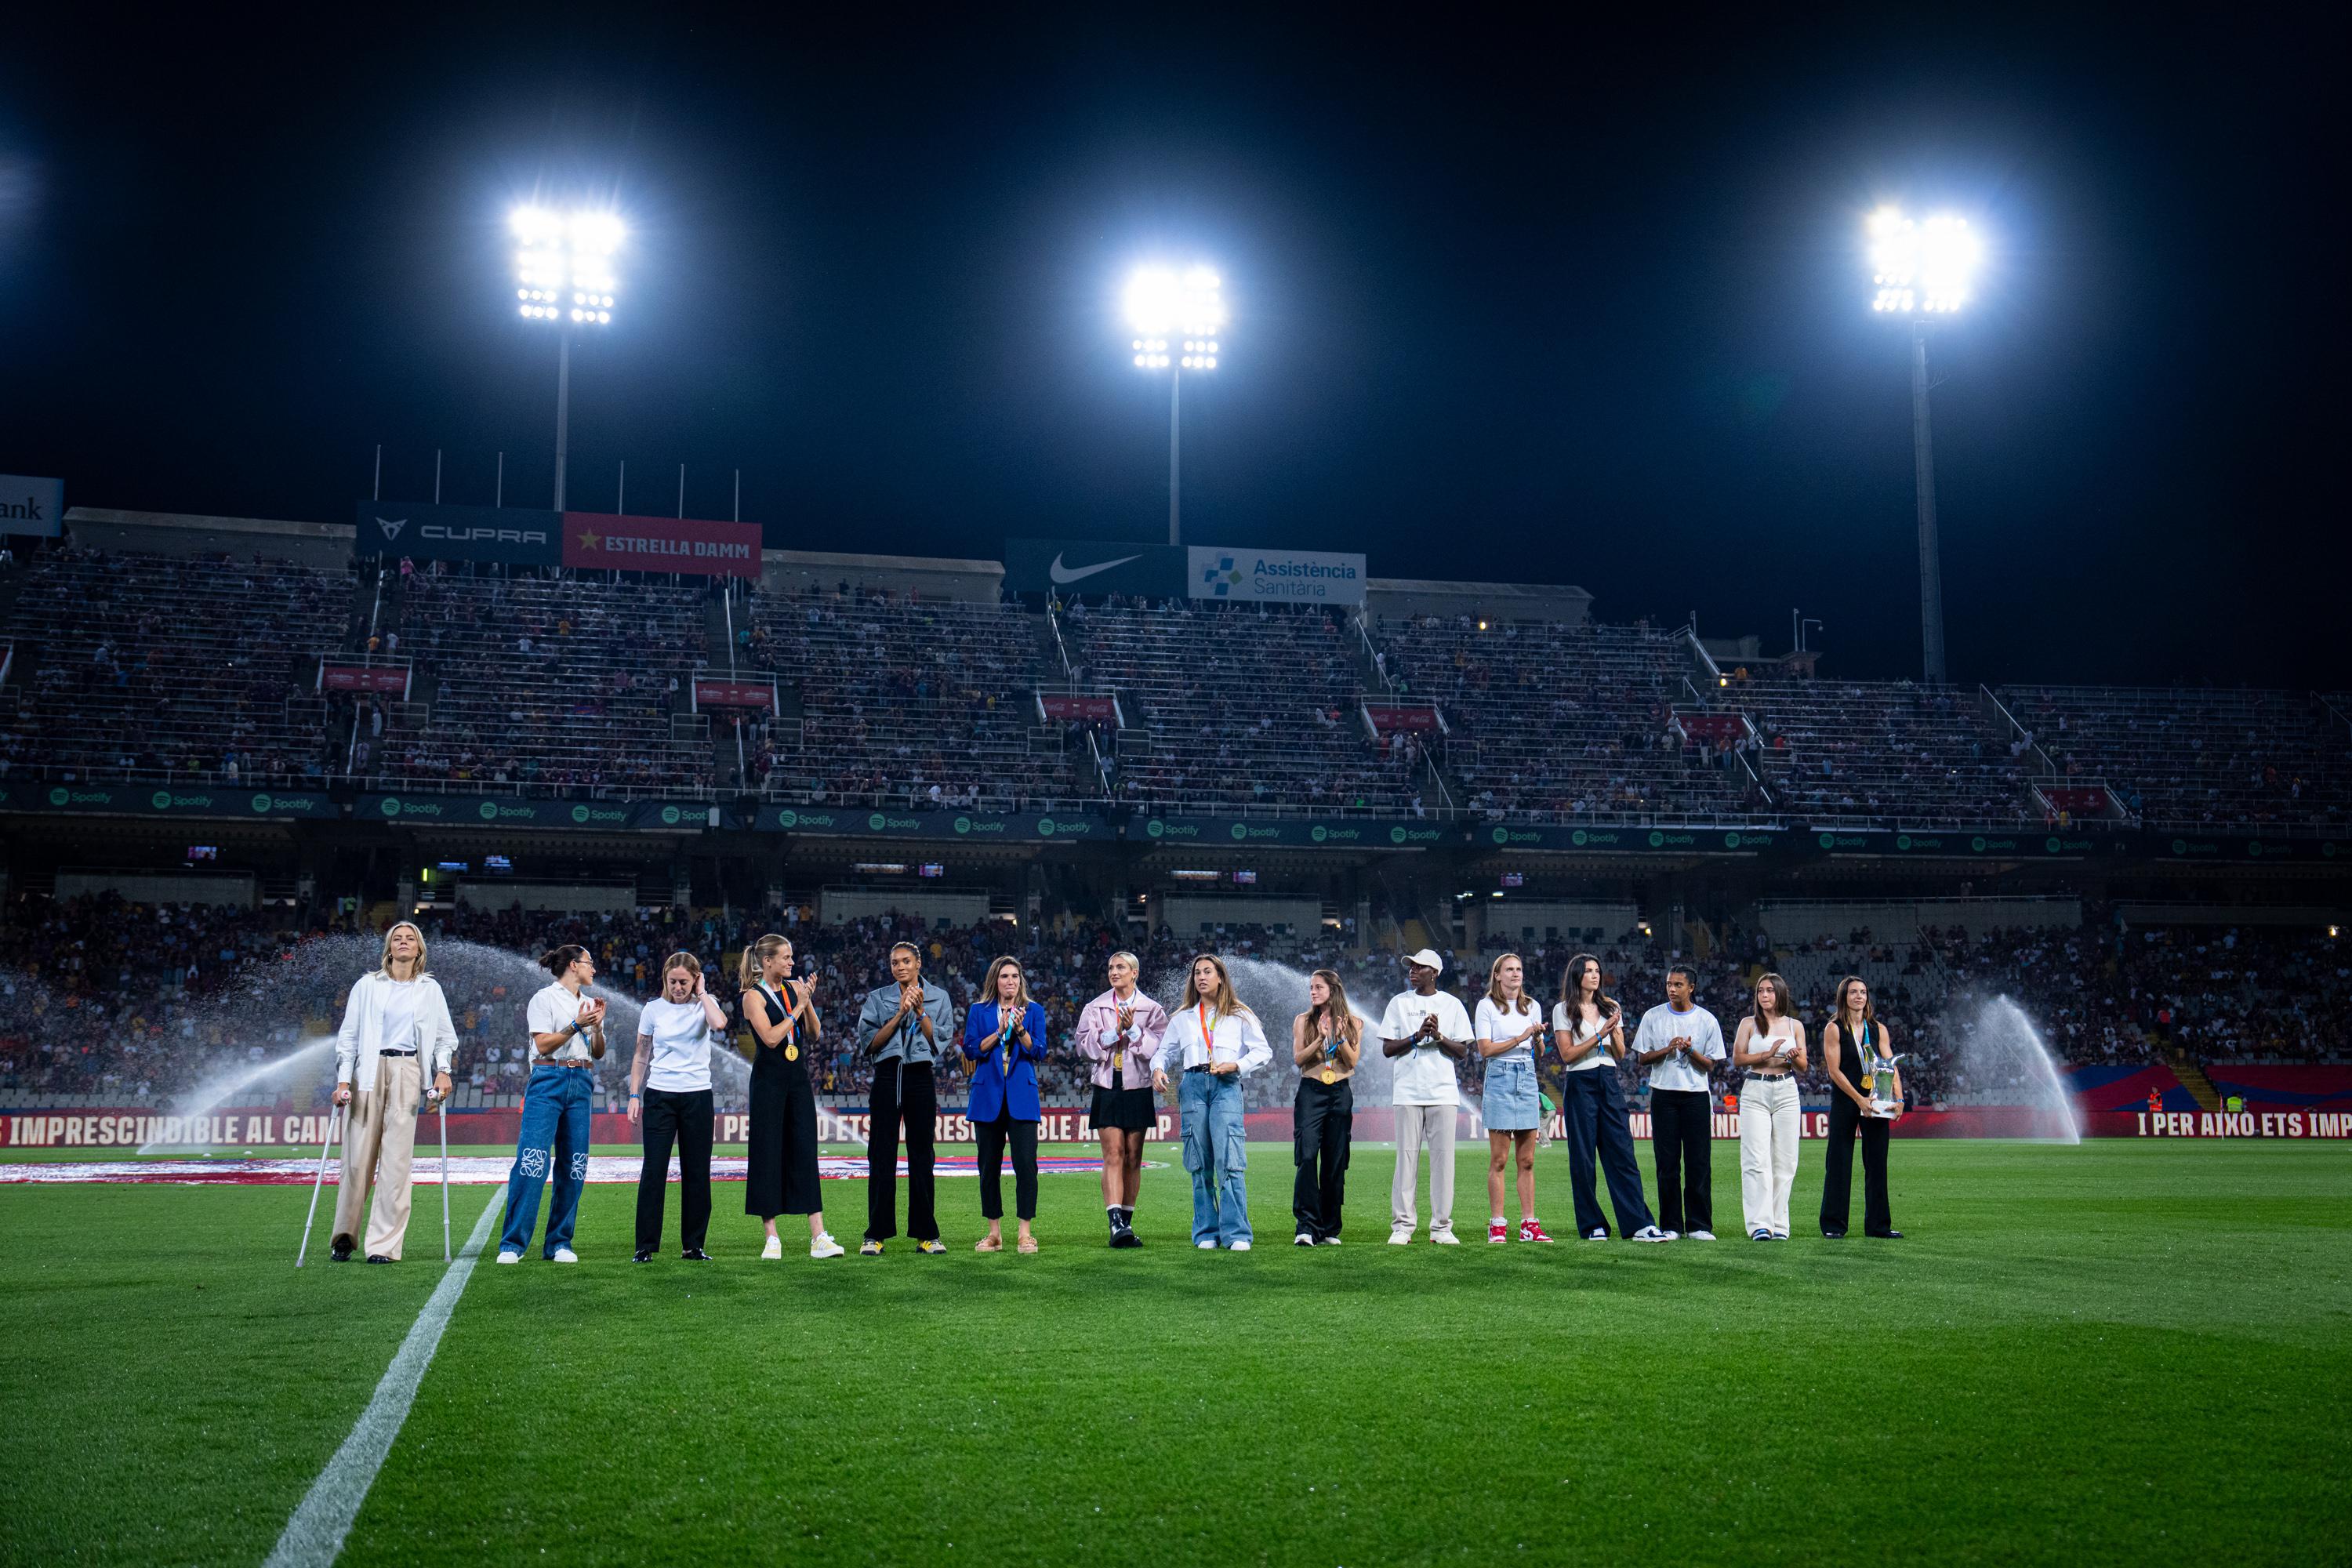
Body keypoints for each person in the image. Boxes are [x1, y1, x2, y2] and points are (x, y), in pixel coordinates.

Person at [328, 921, 457, 1263]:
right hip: (367, 1072)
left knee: (396, 1163)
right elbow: (349, 1038)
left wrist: (443, 1071)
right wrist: (343, 1081)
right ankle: (344, 1237)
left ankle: (383, 1246)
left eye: (409, 939)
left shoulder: (430, 989)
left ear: (419, 949)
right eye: (397, 939)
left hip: (408, 1070)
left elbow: (446, 1037)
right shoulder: (367, 985)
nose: (403, 943)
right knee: (356, 1160)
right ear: (389, 948)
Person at [495, 944, 608, 1265]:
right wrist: (577, 1024)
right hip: (548, 1078)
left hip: (582, 1080)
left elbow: (597, 1052)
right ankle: (512, 1244)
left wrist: (597, 1026)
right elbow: (542, 1043)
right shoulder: (542, 998)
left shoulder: (589, 1003)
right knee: (532, 1160)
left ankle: (559, 1242)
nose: (594, 969)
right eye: (589, 963)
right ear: (574, 965)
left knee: (575, 1165)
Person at [1152, 953, 1272, 1250]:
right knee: (1199, 1161)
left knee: (1229, 1160)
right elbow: (1164, 1052)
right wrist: (1157, 1068)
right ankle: (1207, 1232)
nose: (1201, 977)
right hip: (1192, 1085)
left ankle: (1237, 1234)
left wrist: (1237, 1065)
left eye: (1208, 971)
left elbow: (1263, 1051)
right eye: (1197, 973)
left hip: (1226, 1085)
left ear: (1221, 977)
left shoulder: (1240, 1014)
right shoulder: (1182, 1017)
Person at [1552, 953, 1671, 1242]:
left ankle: (1639, 1224)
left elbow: (1620, 1053)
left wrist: (1615, 1031)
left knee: (1623, 1154)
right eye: (1589, 971)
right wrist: (1599, 1035)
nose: (1595, 975)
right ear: (1577, 975)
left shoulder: (1611, 1006)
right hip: (1580, 1081)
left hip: (1608, 1078)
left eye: (1597, 970)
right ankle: (1592, 1225)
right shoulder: (1563, 1009)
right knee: (1583, 1158)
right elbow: (1567, 1054)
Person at [741, 933, 844, 1260]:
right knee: (767, 1154)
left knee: (804, 1152)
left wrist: (807, 999)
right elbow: (771, 1039)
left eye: (791, 957)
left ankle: (819, 1236)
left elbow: (814, 1033)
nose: (792, 962)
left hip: (797, 1081)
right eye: (785, 957)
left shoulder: (793, 990)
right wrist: (798, 1005)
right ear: (767, 961)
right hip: (768, 1083)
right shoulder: (752, 997)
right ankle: (771, 1237)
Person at [855, 942, 955, 1256]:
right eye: (894, 962)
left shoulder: (939, 997)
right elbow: (870, 1043)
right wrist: (900, 1013)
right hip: (887, 1075)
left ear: (919, 964)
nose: (900, 966)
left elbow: (939, 1041)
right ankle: (875, 1234)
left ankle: (927, 1235)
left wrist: (920, 1011)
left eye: (906, 961)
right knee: (881, 1155)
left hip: (920, 1076)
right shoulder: (877, 998)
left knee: (922, 1155)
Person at [627, 953, 726, 1262]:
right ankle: (645, 1246)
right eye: (673, 982)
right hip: (660, 1096)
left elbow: (720, 1024)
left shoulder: (705, 1005)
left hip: (698, 1095)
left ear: (696, 978)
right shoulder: (653, 1009)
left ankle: (693, 1245)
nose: (678, 987)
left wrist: (703, 992)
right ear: (665, 980)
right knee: (653, 1171)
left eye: (684, 981)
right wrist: (634, 1094)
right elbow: (642, 1054)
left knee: (697, 1172)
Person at [1379, 947, 1474, 1246]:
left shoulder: (1452, 1004)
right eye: (1411, 967)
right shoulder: (1399, 1003)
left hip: (1443, 1092)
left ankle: (1442, 1228)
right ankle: (1403, 1226)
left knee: (1444, 1162)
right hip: (1407, 1091)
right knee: (1406, 1160)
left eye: (1420, 967)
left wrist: (1440, 1036)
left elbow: (1462, 1052)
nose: (1412, 971)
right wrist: (1417, 1037)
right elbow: (1387, 1049)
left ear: (1434, 973)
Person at [1074, 950, 1168, 1248]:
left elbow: (1158, 1048)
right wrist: (1115, 1032)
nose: (1114, 972)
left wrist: (1134, 1029)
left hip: (1138, 1086)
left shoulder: (1152, 1009)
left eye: (1121, 967)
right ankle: (1115, 1224)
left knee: (1133, 1156)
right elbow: (1084, 1047)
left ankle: (1126, 1223)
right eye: (1111, 967)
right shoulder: (1096, 1006)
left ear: (1134, 973)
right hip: (1107, 1085)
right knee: (1113, 1153)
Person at [1629, 963, 1725, 1241]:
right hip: (1663, 1094)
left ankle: (1699, 1225)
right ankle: (1670, 1224)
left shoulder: (1707, 1020)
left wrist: (1690, 1050)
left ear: (1691, 988)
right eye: (1669, 984)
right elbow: (1642, 1058)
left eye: (1678, 985)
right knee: (1667, 1163)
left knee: (1699, 1163)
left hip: (1696, 1096)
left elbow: (1709, 1066)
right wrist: (1668, 1048)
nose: (1672, 989)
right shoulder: (1653, 1016)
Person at [963, 955, 1047, 1254]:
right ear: (995, 981)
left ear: (1020, 981)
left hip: (1022, 1099)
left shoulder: (1034, 1011)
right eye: (1004, 977)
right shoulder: (979, 1011)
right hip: (987, 1098)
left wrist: (1021, 1030)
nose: (1010, 981)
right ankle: (994, 1234)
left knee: (1026, 1166)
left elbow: (1039, 1052)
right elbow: (970, 1049)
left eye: (1014, 976)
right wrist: (999, 1031)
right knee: (989, 1168)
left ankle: (1025, 1233)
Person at [1473, 953, 1552, 1243]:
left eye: (1519, 969)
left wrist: (1538, 1038)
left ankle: (1529, 1223)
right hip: (1500, 1076)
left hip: (1527, 1075)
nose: (1515, 974)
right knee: (1499, 1159)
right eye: (1509, 969)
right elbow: (1486, 1050)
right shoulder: (1486, 1006)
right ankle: (1497, 1224)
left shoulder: (1533, 1006)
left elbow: (1540, 1053)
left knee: (1528, 1159)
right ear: (1497, 975)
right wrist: (1522, 1036)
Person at [1820, 974, 1904, 1239]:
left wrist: (1899, 1099)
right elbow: (1834, 1071)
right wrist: (1859, 1099)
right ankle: (1834, 1226)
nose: (1859, 996)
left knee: (1877, 1163)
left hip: (1877, 1102)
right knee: (1839, 1162)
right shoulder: (1834, 1028)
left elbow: (1891, 1066)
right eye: (1854, 992)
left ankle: (1878, 1226)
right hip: (1847, 1101)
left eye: (1863, 992)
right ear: (1844, 997)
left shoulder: (1878, 1029)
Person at [1731, 971, 1807, 1242]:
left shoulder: (1794, 1026)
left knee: (1786, 1161)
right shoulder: (1748, 1024)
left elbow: (1803, 1067)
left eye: (1769, 991)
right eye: (1761, 991)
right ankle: (1759, 1225)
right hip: (1755, 1089)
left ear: (1780, 994)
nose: (1764, 995)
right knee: (1755, 1159)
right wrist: (1766, 1053)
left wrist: (1793, 1056)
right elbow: (1738, 1059)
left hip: (1787, 1089)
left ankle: (1780, 1224)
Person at [1289, 968, 1362, 1246]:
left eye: (1318, 987)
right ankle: (1306, 1226)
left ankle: (1330, 1228)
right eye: (1311, 987)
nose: (1313, 992)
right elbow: (1299, 1059)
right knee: (1307, 1156)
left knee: (1335, 1162)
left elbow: (1352, 1061)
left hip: (1340, 1093)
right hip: (1311, 1092)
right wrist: (1319, 1039)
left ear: (1333, 988)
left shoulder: (1354, 1022)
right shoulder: (1303, 1021)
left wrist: (1340, 1038)